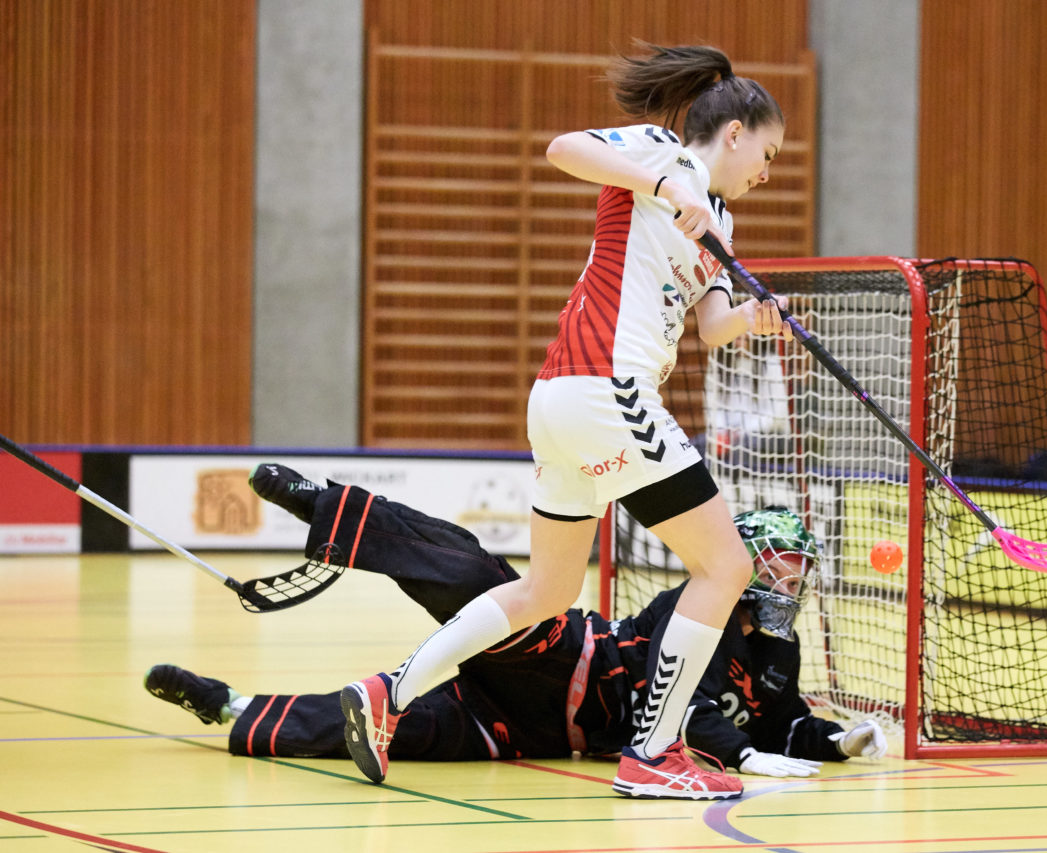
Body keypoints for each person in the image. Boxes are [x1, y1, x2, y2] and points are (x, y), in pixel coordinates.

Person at [336, 42, 794, 799]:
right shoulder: (662, 154)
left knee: (547, 589)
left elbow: (709, 326)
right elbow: (564, 148)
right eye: (767, 152)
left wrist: (756, 317)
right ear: (736, 131)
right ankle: (654, 751)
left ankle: (390, 691)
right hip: (603, 390)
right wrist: (662, 183)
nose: (767, 171)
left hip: (567, 403)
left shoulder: (720, 222)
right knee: (727, 566)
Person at [145, 467, 886, 782]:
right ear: (748, 562)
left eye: (801, 566)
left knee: (377, 730)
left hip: (525, 732)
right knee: (474, 575)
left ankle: (228, 705)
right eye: (784, 562)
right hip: (566, 659)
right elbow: (681, 712)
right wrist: (746, 761)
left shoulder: (780, 651)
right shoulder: (698, 606)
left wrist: (834, 741)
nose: (796, 579)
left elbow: (782, 722)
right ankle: (328, 504)